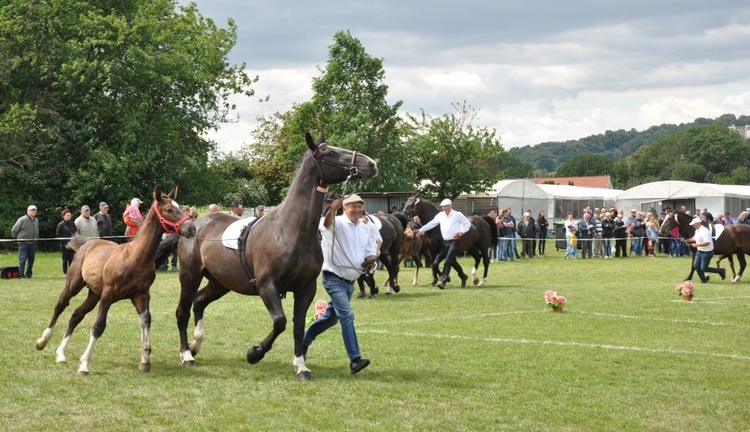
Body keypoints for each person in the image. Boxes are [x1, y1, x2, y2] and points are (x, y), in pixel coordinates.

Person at [302, 194, 375, 374]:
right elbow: (325, 225)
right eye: (353, 207)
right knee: (347, 315)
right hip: (333, 278)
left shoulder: (365, 229)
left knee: (331, 319)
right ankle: (355, 360)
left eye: (359, 207)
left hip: (350, 282)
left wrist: (372, 261)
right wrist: (331, 210)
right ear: (345, 208)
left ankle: (304, 341)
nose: (357, 210)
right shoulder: (337, 223)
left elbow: (370, 252)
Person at [415, 199, 471, 289]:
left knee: (448, 261)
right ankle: (463, 276)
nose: (442, 208)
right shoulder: (440, 215)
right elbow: (431, 224)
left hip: (454, 242)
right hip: (445, 243)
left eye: (444, 206)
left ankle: (443, 282)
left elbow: (467, 224)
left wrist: (461, 232)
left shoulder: (457, 215)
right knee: (440, 262)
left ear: (449, 206)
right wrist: (420, 230)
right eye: (442, 206)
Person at [686, 216, 726, 283]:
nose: (692, 226)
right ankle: (703, 280)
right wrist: (686, 240)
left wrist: (696, 245)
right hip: (700, 251)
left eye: (693, 224)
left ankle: (721, 270)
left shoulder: (705, 231)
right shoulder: (697, 230)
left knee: (704, 268)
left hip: (707, 252)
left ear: (698, 223)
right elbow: (694, 238)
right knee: (696, 266)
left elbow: (707, 243)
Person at [11, 205, 40, 279]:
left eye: (34, 210)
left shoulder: (36, 220)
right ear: (28, 211)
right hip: (23, 242)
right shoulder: (22, 219)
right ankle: (21, 275)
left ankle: (28, 274)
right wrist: (18, 238)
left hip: (33, 243)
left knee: (31, 259)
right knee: (23, 258)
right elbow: (14, 230)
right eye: (32, 210)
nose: (33, 212)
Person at [55, 208, 77, 275]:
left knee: (72, 259)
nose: (68, 216)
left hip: (72, 245)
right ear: (63, 216)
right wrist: (64, 242)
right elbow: (58, 235)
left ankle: (71, 272)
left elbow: (75, 233)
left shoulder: (73, 224)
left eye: (69, 215)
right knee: (65, 259)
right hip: (64, 245)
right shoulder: (61, 224)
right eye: (67, 215)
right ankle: (65, 272)